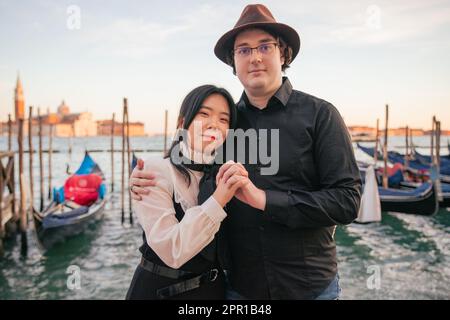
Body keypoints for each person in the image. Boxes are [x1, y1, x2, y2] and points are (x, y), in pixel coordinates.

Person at [130, 4, 362, 300]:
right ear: (234, 62)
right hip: (239, 288)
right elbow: (187, 169)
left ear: (283, 54)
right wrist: (146, 179)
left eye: (265, 46)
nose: (254, 57)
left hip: (310, 286)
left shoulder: (321, 115)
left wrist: (265, 199)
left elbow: (347, 201)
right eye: (243, 50)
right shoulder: (224, 124)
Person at [126, 85, 248, 300]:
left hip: (213, 291)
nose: (213, 125)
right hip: (161, 291)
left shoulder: (224, 172)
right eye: (204, 114)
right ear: (183, 123)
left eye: (223, 119)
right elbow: (172, 250)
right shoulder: (155, 170)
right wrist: (220, 198)